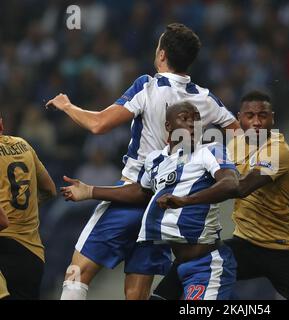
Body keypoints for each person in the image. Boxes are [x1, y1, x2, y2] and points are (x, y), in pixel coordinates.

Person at [46, 23, 239, 300]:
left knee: (77, 273)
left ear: (161, 54)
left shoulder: (148, 86)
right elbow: (245, 138)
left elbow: (99, 124)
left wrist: (67, 106)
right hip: (162, 208)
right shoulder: (206, 99)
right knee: (137, 295)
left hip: (131, 193)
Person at [153, 91, 289, 300]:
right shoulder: (234, 145)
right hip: (246, 242)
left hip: (283, 248)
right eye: (250, 116)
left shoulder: (279, 151)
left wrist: (186, 200)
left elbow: (240, 188)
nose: (256, 122)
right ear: (240, 118)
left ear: (272, 118)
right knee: (195, 258)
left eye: (262, 116)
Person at [62, 102, 239, 299]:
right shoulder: (156, 159)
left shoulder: (211, 150)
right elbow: (141, 192)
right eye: (185, 118)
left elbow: (231, 184)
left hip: (207, 263)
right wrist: (90, 191)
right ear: (168, 126)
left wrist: (186, 201)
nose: (192, 124)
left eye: (196, 119)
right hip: (180, 267)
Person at [0, 111, 57, 299]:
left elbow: (2, 221)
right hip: (33, 254)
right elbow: (50, 189)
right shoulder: (23, 145)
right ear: (1, 125)